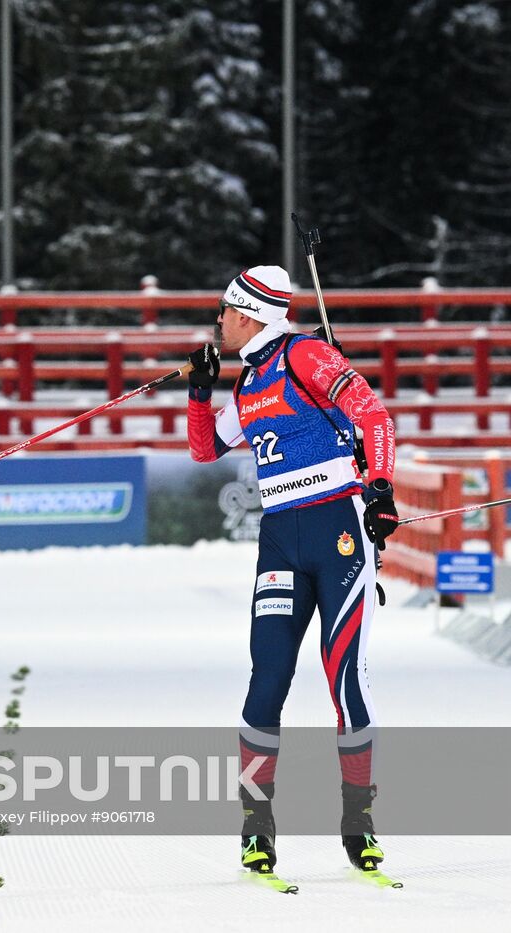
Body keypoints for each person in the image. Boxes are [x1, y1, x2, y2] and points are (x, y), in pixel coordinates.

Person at [186, 266, 399, 879]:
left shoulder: (306, 354)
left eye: (225, 310)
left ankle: (358, 824)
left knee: (345, 684)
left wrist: (380, 491)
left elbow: (374, 417)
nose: (217, 321)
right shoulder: (249, 380)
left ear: (251, 312)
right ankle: (257, 828)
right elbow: (206, 449)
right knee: (266, 681)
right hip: (280, 541)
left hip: (337, 532)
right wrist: (201, 392)